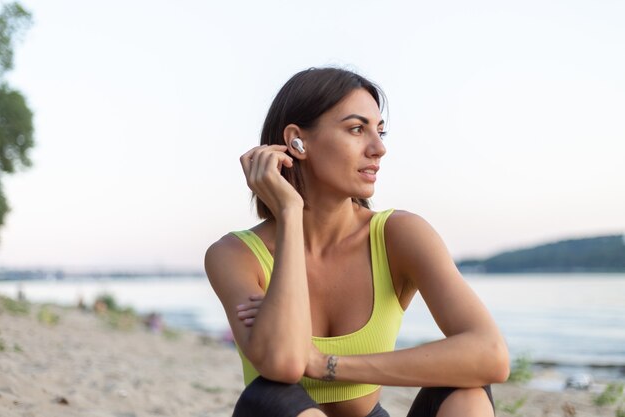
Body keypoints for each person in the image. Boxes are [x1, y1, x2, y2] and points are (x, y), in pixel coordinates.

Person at [204, 67, 509, 417]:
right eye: (356, 129)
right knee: (270, 395)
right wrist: (289, 212)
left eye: (379, 131)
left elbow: (491, 354)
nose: (379, 149)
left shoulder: (399, 235)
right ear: (296, 142)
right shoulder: (234, 255)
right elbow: (284, 364)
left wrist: (323, 364)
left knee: (466, 385)